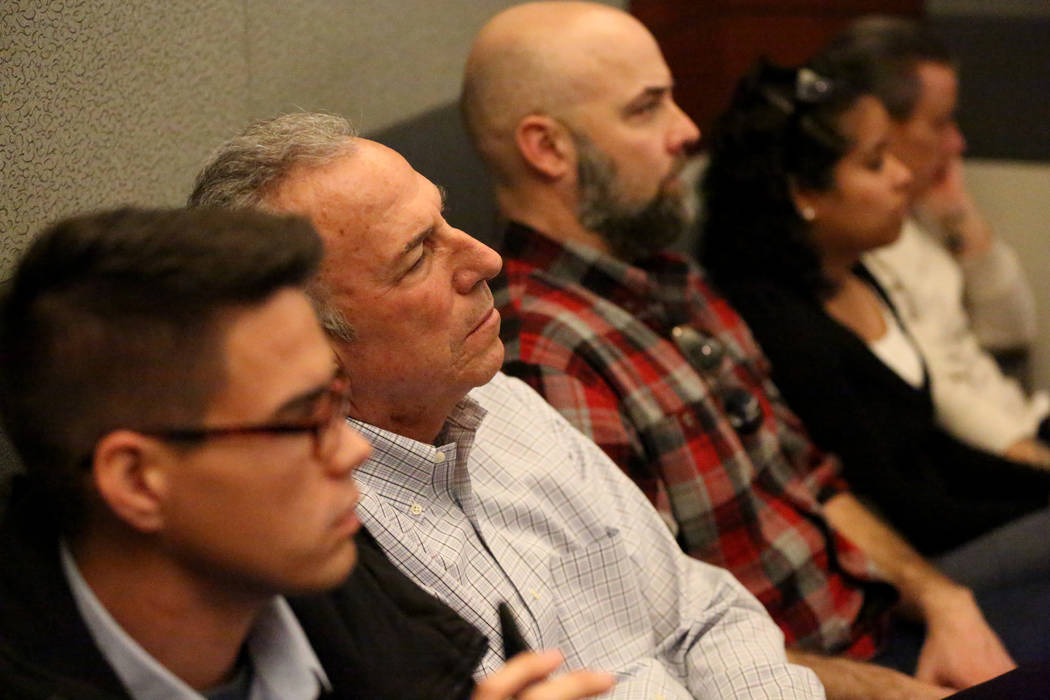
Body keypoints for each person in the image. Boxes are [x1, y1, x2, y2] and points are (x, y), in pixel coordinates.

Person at [461, 1, 1025, 697]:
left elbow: (813, 480)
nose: (687, 130)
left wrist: (943, 601)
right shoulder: (546, 358)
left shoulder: (670, 278)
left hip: (884, 622)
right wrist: (895, 690)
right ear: (548, 148)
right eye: (647, 110)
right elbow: (660, 646)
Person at [188, 113, 824, 698]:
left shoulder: (509, 405)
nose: (485, 259)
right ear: (310, 342)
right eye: (417, 259)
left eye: (445, 219)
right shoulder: (318, 541)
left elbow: (701, 612)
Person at [0, 207, 611, 700]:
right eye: (301, 421)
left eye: (335, 401)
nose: (352, 451)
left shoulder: (357, 604)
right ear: (137, 480)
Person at [699, 54, 1050, 674]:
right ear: (804, 193)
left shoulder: (855, 269)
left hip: (945, 528)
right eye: (873, 163)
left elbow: (934, 447)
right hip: (908, 566)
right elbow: (903, 505)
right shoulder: (780, 324)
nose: (901, 178)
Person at [812, 16, 1050, 466]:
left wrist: (958, 213)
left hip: (1026, 419)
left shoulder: (919, 211)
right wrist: (1035, 458)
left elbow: (1012, 329)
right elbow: (934, 386)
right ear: (878, 121)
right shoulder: (861, 237)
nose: (957, 142)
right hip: (998, 454)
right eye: (940, 124)